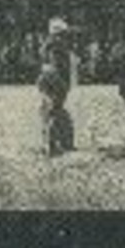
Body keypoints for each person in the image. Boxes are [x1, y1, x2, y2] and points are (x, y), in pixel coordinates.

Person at [37, 18, 77, 155]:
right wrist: (64, 84)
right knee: (55, 110)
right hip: (57, 80)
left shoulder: (46, 44)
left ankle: (53, 143)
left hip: (45, 79)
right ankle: (54, 144)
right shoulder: (59, 46)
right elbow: (59, 66)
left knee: (48, 111)